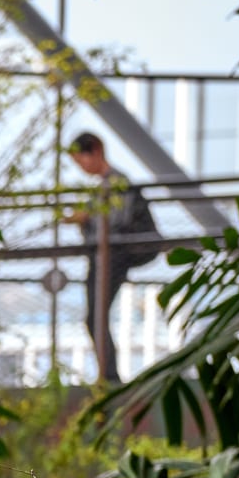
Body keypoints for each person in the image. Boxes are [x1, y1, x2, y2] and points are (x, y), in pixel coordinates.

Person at [65, 132, 160, 382]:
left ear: (95, 150)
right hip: (109, 256)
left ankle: (109, 376)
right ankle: (108, 374)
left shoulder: (117, 183)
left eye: (80, 160)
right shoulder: (104, 188)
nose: (81, 167)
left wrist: (86, 218)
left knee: (96, 316)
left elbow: (115, 224)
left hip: (115, 256)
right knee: (95, 316)